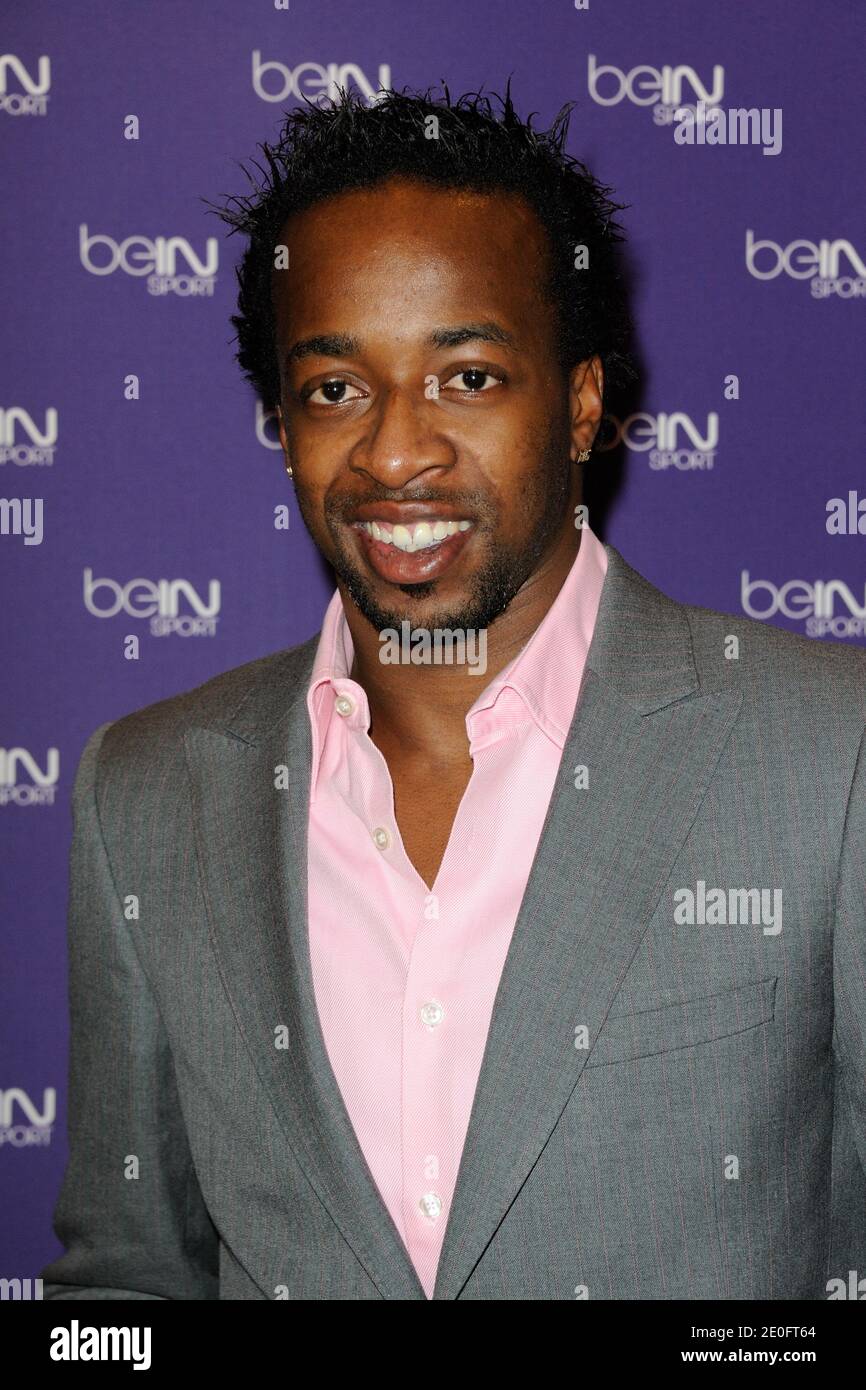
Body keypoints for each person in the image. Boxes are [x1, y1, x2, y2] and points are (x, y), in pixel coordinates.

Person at [42, 85, 866, 1301]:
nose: (392, 449)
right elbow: (121, 1290)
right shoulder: (146, 789)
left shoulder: (826, 750)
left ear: (581, 401)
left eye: (466, 377)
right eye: (334, 388)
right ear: (281, 421)